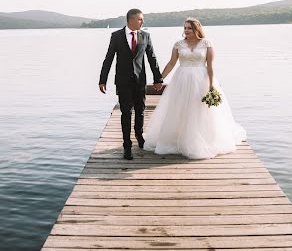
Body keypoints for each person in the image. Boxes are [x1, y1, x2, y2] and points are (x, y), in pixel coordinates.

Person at [144, 18, 246, 159]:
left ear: (196, 29)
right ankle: (178, 139)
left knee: (199, 110)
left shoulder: (207, 44)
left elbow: (210, 67)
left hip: (201, 80)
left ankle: (200, 140)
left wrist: (211, 86)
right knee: (180, 108)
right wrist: (159, 79)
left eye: (189, 28)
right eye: (185, 28)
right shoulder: (178, 44)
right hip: (182, 79)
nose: (186, 30)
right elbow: (172, 63)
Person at [99, 9, 163, 160]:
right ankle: (127, 146)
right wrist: (102, 80)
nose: (143, 22)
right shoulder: (116, 36)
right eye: (140, 19)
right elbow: (108, 58)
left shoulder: (145, 36)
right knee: (126, 113)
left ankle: (139, 137)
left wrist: (158, 79)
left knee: (140, 111)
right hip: (123, 82)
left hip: (140, 81)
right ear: (131, 20)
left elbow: (152, 58)